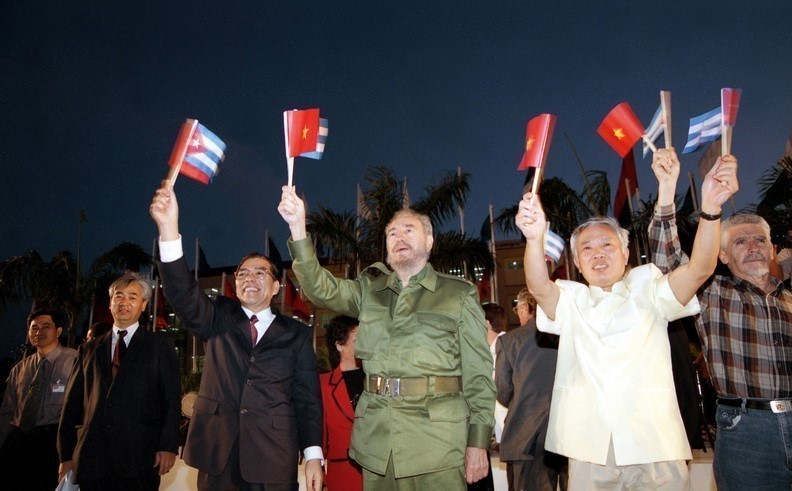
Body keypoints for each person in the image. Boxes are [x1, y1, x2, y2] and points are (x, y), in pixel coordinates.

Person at [515, 153, 737, 490]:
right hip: (589, 449)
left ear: (625, 253)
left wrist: (710, 209)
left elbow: (699, 270)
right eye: (587, 249)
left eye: (607, 244)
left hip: (654, 445)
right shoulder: (572, 299)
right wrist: (534, 239)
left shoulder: (649, 288)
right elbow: (538, 287)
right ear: (577, 262)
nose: (598, 253)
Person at [278, 186, 495, 490]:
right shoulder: (370, 290)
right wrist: (298, 227)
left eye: (409, 230)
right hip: (380, 444)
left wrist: (478, 441)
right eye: (392, 233)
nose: (399, 237)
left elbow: (479, 374)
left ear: (429, 241)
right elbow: (319, 288)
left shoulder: (458, 294)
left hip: (438, 445)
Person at [150, 182, 324, 491]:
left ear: (276, 287)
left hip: (273, 457)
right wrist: (168, 228)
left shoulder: (297, 335)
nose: (250, 278)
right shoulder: (217, 318)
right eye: (243, 273)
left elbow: (307, 400)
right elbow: (182, 292)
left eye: (260, 273)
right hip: (218, 456)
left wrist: (312, 455)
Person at [648, 148, 792, 489]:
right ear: (723, 255)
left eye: (760, 240)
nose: (753, 246)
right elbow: (668, 264)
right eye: (740, 242)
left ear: (772, 250)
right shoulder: (713, 294)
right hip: (746, 432)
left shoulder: (789, 298)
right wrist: (668, 191)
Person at [58, 273, 181, 491]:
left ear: (143, 305)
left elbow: (171, 399)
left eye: (132, 297)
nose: (124, 302)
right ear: (110, 303)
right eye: (119, 296)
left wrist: (168, 446)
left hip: (139, 457)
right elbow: (71, 405)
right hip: (92, 459)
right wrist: (66, 455)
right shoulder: (88, 349)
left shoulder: (159, 346)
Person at [495, 290, 566, 491]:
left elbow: (502, 392)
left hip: (527, 435)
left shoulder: (509, 341)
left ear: (526, 308)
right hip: (569, 430)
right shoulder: (567, 334)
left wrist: (522, 400)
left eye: (517, 309)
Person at [0, 309, 77, 490]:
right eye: (34, 328)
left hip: (52, 443)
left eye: (46, 327)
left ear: (58, 331)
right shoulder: (20, 368)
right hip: (19, 441)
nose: (38, 332)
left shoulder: (75, 361)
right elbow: (7, 411)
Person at [321, 315, 364, 491]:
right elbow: (320, 433)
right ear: (339, 345)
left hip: (378, 472)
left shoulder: (377, 380)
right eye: (357, 339)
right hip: (343, 472)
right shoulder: (323, 384)